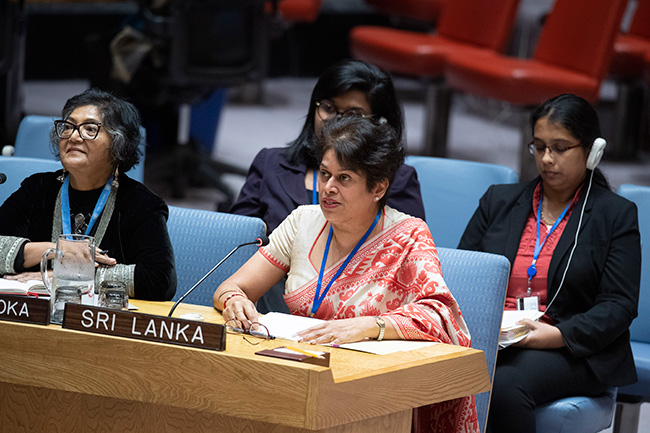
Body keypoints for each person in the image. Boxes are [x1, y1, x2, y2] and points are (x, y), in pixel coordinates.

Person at [214, 115, 478, 433]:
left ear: (378, 187)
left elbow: (438, 315)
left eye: (345, 178)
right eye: (325, 174)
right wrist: (233, 299)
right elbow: (233, 286)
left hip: (372, 392)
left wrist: (368, 326)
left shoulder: (409, 235)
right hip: (297, 372)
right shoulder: (303, 222)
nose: (328, 188)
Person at [458, 94, 641, 432]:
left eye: (560, 148)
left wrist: (554, 335)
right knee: (430, 375)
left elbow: (618, 305)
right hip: (495, 336)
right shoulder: (498, 201)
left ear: (592, 151)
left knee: (503, 387)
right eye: (539, 146)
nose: (546, 159)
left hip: (570, 348)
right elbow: (465, 279)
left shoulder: (614, 215)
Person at [0, 88, 176, 301]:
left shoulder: (141, 204)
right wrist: (54, 250)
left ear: (118, 142)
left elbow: (159, 280)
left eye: (89, 129)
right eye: (68, 127)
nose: (74, 136)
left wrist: (68, 276)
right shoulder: (38, 188)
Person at [230, 59, 425, 234]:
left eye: (353, 115)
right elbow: (237, 240)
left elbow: (406, 252)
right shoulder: (270, 163)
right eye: (328, 108)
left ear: (380, 124)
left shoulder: (397, 179)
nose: (335, 122)